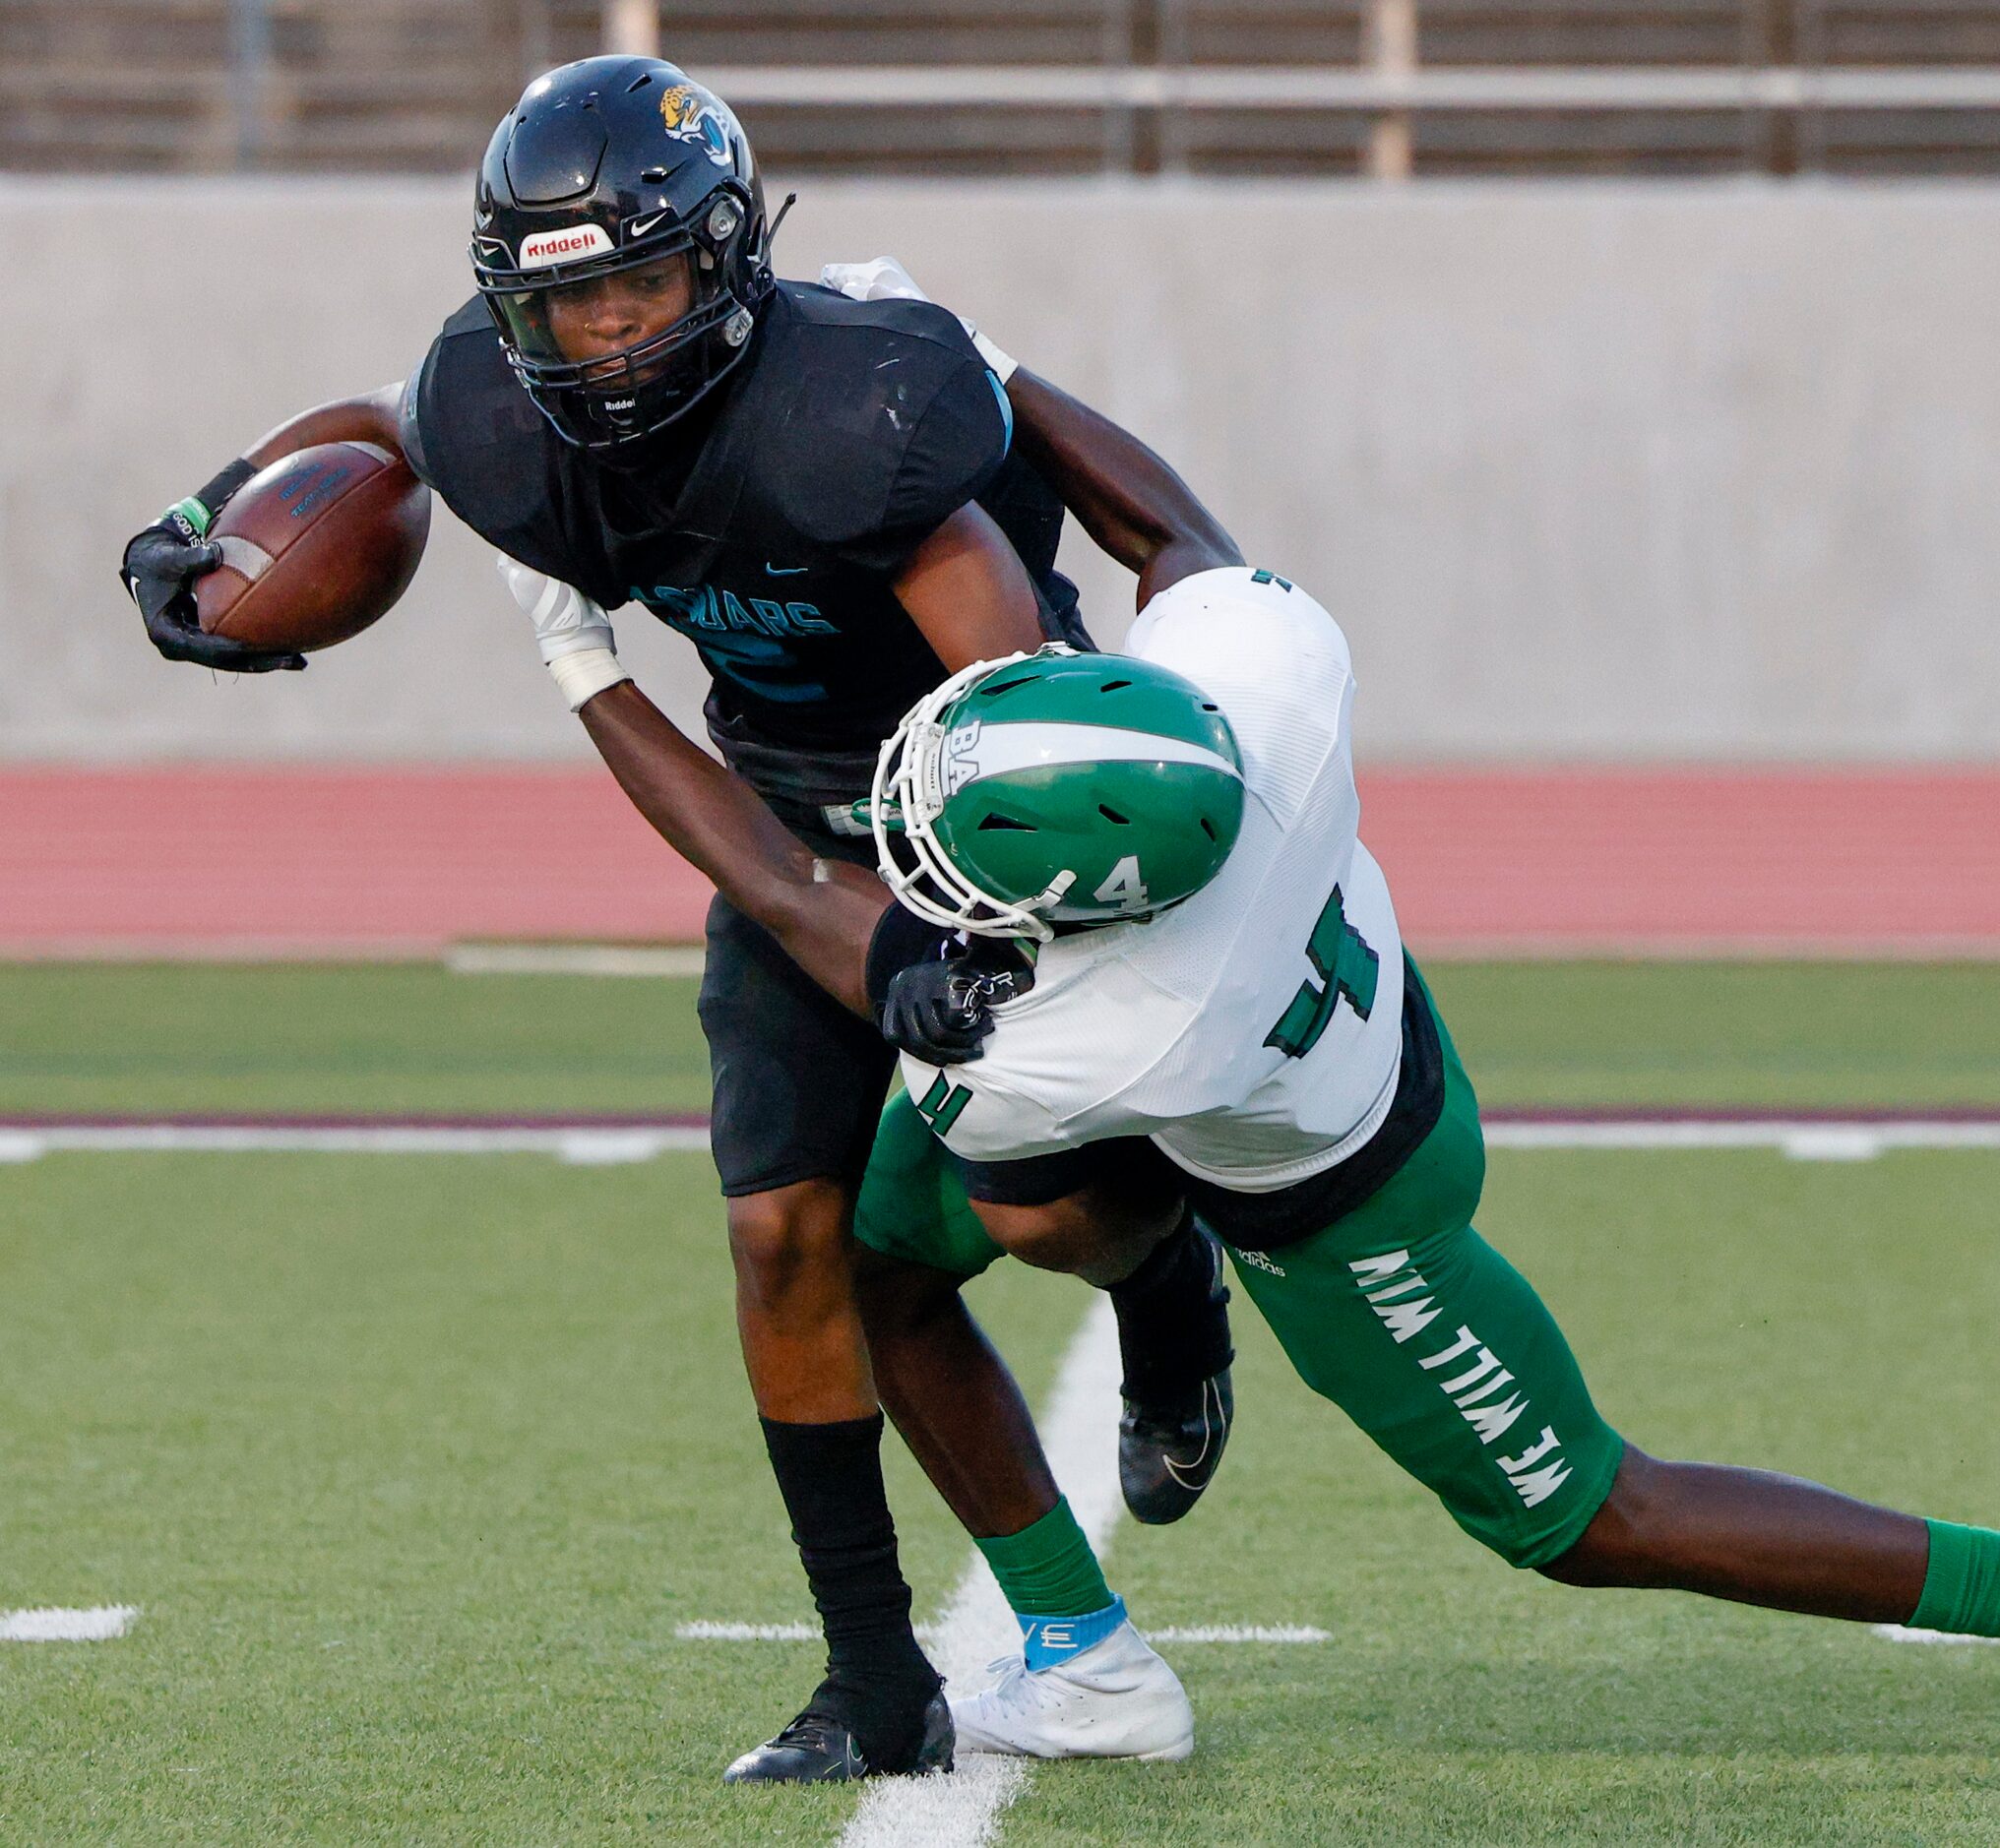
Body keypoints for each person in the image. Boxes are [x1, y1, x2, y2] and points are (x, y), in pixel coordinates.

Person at [510, 262, 2000, 1759]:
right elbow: (1171, 531)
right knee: (872, 1258)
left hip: (1334, 1174)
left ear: (1043, 902)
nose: (921, 841)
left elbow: (877, 968)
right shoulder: (1249, 686)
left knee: (1584, 1512)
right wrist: (990, 369)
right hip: (1332, 990)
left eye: (960, 833)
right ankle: (1080, 1656)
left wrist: (590, 665)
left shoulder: (1079, 1040)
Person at [113, 57, 1231, 1783]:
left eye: (638, 283)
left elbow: (1001, 680)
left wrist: (970, 904)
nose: (609, 335)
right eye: (562, 304)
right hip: (784, 802)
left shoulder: (860, 395)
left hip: (984, 795)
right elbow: (414, 454)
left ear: (726, 262)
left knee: (1046, 1221)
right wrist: (210, 506)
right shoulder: (508, 422)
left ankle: (1165, 1282)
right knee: (786, 1237)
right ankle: (876, 1676)